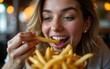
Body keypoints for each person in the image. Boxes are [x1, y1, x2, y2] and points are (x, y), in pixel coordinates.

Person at [2, 0, 110, 69]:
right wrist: (11, 65)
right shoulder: (24, 51)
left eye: (68, 17)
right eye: (47, 18)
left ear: (86, 24)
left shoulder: (99, 50)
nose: (55, 27)